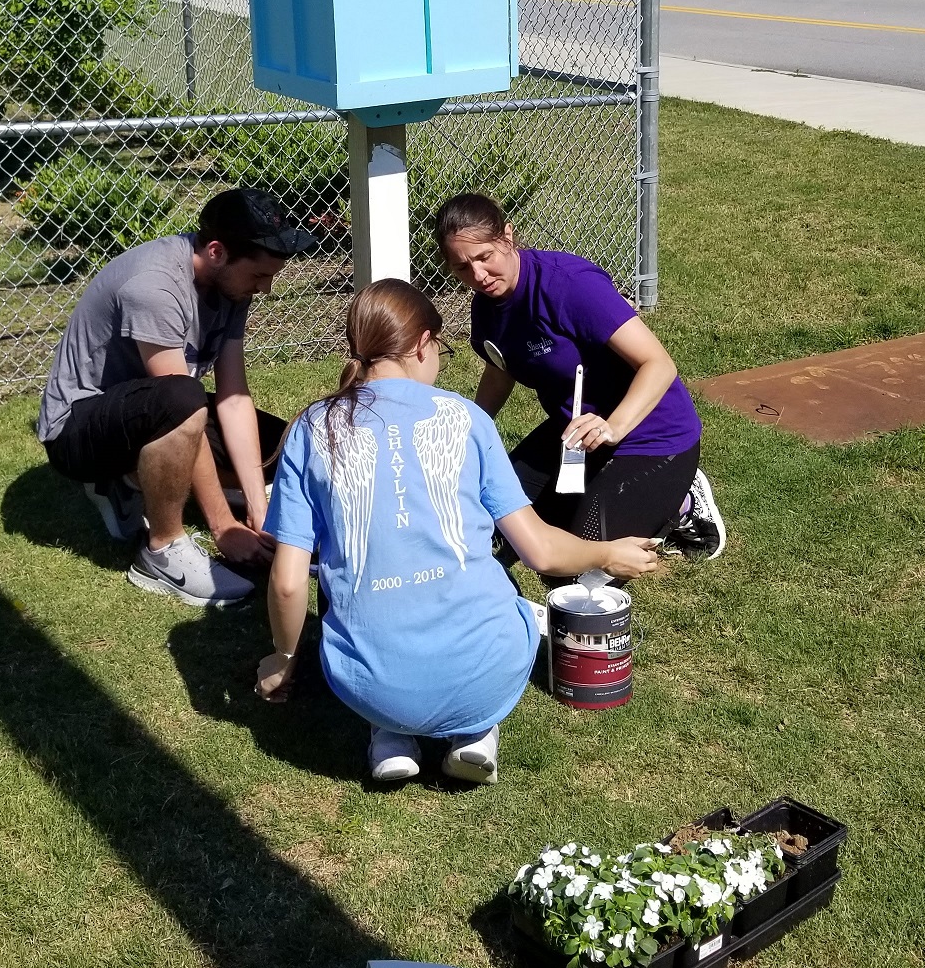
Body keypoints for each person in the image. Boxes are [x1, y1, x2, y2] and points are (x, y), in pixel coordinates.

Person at [255, 279, 660, 783]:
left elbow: (289, 582)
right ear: (423, 344)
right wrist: (606, 553)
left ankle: (390, 733)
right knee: (503, 587)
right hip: (486, 674)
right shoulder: (464, 417)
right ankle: (476, 731)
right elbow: (540, 552)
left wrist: (283, 658)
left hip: (368, 686)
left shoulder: (313, 428)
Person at [37, 187, 317, 607]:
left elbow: (233, 397)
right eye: (259, 276)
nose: (266, 288)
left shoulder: (231, 285)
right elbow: (180, 408)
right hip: (77, 432)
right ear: (218, 251)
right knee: (183, 398)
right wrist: (223, 525)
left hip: (151, 409)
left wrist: (259, 507)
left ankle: (136, 481)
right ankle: (161, 551)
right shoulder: (155, 286)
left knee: (282, 449)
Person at [432, 193, 724, 560]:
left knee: (589, 554)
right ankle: (602, 483)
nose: (478, 275)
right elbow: (500, 367)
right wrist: (472, 428)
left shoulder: (569, 285)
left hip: (653, 432)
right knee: (496, 522)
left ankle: (682, 502)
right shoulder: (487, 307)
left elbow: (659, 364)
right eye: (461, 267)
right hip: (575, 432)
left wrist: (613, 427)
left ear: (508, 236)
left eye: (484, 257)